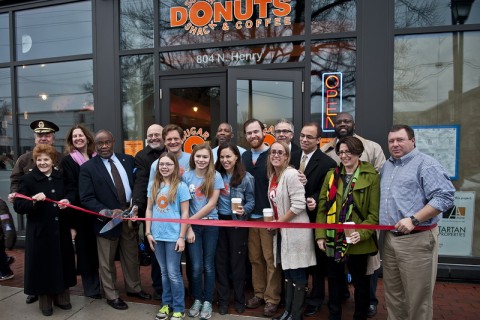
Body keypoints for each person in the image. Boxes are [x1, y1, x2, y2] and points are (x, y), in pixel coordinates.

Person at [380, 124, 455, 320]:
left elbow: (445, 197)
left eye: (400, 140)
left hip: (417, 240)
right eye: (391, 141)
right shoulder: (388, 165)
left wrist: (414, 219)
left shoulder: (426, 164)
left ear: (412, 141)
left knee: (417, 298)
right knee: (394, 295)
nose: (395, 144)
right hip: (390, 239)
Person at [321, 112, 386, 317]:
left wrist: (362, 233)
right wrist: (320, 235)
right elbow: (323, 207)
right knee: (333, 282)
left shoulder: (372, 176)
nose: (344, 156)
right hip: (333, 238)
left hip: (359, 241)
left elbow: (374, 215)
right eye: (341, 152)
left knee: (361, 283)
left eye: (349, 152)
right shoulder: (332, 175)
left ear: (358, 152)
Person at [79, 130, 151, 311]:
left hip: (128, 216)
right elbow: (86, 198)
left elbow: (137, 185)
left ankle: (134, 288)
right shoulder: (88, 167)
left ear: (113, 141)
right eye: (100, 143)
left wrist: (136, 205)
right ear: (95, 145)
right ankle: (111, 295)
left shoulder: (127, 160)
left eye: (107, 142)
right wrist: (106, 211)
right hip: (106, 221)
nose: (104, 146)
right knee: (107, 261)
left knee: (131, 256)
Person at [13, 144, 76, 316]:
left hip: (60, 230)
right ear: (35, 161)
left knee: (62, 263)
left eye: (46, 159)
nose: (42, 163)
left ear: (52, 160)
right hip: (40, 233)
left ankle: (62, 298)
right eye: (39, 159)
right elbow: (19, 204)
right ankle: (46, 302)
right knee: (43, 267)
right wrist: (33, 201)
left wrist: (67, 201)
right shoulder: (28, 179)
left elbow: (72, 193)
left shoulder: (60, 176)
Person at [8, 119, 63, 305]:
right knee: (36, 259)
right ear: (35, 138)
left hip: (56, 217)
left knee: (57, 259)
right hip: (36, 214)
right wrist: (17, 195)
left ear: (53, 138)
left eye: (47, 135)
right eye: (40, 135)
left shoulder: (62, 158)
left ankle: (57, 292)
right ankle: (35, 291)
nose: (43, 138)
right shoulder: (24, 159)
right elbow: (16, 180)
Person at [289, 122, 337, 317]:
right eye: (302, 136)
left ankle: (316, 299)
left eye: (309, 137)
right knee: (299, 260)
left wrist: (314, 199)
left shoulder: (328, 163)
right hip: (292, 218)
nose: (304, 139)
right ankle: (298, 295)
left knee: (317, 263)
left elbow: (328, 191)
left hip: (313, 217)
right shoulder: (291, 157)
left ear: (318, 140)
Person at [266, 141, 316, 320]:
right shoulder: (274, 176)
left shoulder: (292, 174)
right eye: (273, 152)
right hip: (282, 233)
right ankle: (287, 311)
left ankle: (296, 315)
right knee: (287, 274)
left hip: (296, 233)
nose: (276, 155)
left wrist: (278, 222)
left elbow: (299, 205)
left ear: (287, 156)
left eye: (281, 152)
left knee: (297, 274)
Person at [242, 119, 282, 317]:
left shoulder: (273, 154)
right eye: (249, 133)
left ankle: (272, 298)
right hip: (251, 217)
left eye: (256, 131)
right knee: (255, 258)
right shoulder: (244, 157)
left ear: (264, 131)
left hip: (269, 217)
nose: (253, 136)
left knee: (270, 259)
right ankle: (258, 293)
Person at [145, 152, 191, 320]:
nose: (164, 167)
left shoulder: (181, 187)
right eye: (161, 164)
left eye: (168, 164)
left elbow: (185, 213)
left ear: (175, 167)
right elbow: (149, 209)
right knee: (164, 272)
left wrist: (181, 236)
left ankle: (179, 307)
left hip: (173, 236)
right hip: (157, 235)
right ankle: (166, 305)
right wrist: (148, 232)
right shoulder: (153, 185)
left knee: (173, 273)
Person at [182, 143, 224, 320]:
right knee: (196, 265)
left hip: (211, 225)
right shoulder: (186, 176)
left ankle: (208, 300)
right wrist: (189, 227)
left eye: (205, 157)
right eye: (198, 156)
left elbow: (211, 204)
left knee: (208, 264)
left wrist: (190, 221)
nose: (201, 160)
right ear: (193, 158)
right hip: (193, 229)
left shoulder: (216, 176)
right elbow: (184, 205)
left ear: (210, 159)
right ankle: (197, 299)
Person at [61, 124, 101, 299]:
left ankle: (103, 284)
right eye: (74, 136)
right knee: (86, 253)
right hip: (81, 214)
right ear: (71, 140)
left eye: (81, 135)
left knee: (100, 251)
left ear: (87, 137)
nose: (78, 138)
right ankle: (91, 288)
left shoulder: (97, 156)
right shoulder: (68, 161)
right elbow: (70, 188)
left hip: (99, 211)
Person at [215, 144, 255, 315]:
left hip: (238, 223)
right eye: (222, 157)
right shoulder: (215, 176)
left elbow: (252, 201)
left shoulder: (247, 178)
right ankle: (223, 300)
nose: (225, 160)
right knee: (221, 262)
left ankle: (239, 299)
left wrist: (244, 210)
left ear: (237, 157)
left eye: (228, 157)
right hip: (218, 222)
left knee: (238, 262)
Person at [132, 124, 166, 300]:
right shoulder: (141, 156)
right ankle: (159, 289)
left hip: (175, 213)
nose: (153, 138)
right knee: (156, 254)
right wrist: (137, 205)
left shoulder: (172, 150)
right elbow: (140, 182)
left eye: (156, 135)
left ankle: (177, 287)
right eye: (149, 135)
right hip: (152, 212)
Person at [321, 112, 385, 172]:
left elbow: (381, 174)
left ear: (354, 126)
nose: (342, 124)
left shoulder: (373, 148)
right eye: (338, 122)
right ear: (334, 126)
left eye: (347, 121)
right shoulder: (323, 151)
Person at [0, 199, 15, 281]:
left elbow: (5, 220)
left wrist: (9, 237)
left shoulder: (0, 204)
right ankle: (6, 259)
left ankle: (6, 272)